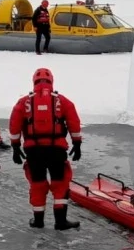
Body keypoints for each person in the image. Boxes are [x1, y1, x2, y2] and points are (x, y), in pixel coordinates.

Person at [9, 67, 83, 230]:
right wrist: (77, 143)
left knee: (37, 184)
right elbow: (73, 122)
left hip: (33, 151)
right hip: (56, 149)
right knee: (60, 183)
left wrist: (15, 146)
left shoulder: (23, 102)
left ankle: (38, 221)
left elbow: (14, 125)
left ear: (33, 81)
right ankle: (60, 221)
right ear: (52, 81)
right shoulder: (62, 101)